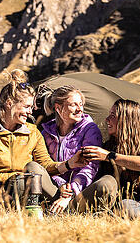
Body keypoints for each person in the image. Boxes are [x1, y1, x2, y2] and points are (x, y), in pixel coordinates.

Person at [0, 70, 85, 208]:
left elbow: (45, 165)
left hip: (18, 190)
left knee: (26, 175)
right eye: (27, 107)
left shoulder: (32, 132)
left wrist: (68, 164)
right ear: (9, 103)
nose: (30, 112)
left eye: (31, 107)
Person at [38, 85, 103, 214]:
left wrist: (70, 191)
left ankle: (68, 209)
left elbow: (90, 168)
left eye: (81, 104)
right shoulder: (46, 133)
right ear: (58, 108)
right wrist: (61, 185)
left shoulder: (89, 130)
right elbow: (44, 165)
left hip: (80, 191)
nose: (80, 109)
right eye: (73, 105)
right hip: (55, 189)